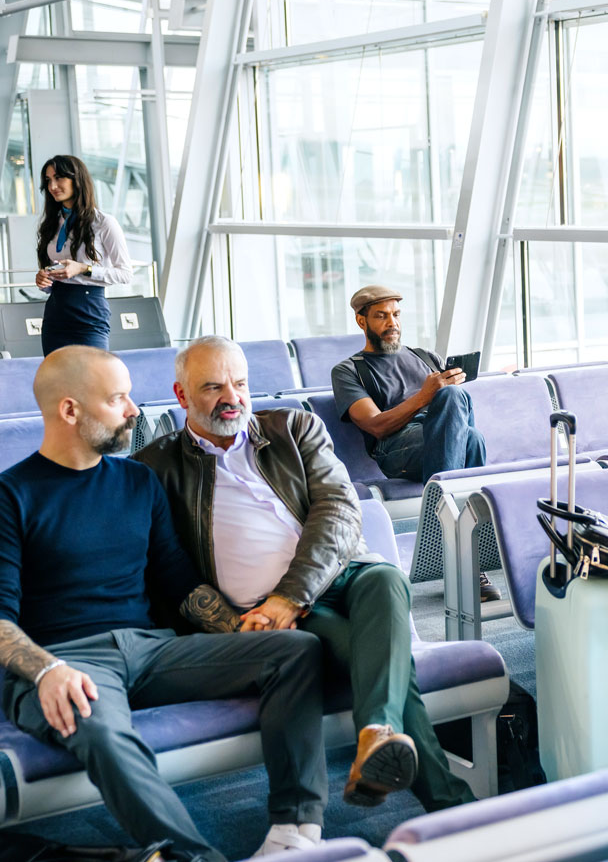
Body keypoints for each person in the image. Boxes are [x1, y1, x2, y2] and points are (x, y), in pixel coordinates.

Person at [0, 346, 329, 861]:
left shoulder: (137, 480)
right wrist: (47, 673)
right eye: (118, 399)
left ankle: (296, 829)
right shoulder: (11, 495)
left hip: (150, 650)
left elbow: (179, 583)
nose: (134, 409)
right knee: (97, 726)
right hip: (67, 662)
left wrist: (244, 632)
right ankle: (195, 858)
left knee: (293, 650)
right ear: (70, 411)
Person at [136, 336, 477, 812]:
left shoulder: (293, 427)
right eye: (214, 387)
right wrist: (246, 622)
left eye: (239, 383)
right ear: (181, 395)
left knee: (384, 577)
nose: (232, 397)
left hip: (336, 579)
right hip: (277, 617)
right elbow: (167, 572)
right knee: (377, 659)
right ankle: (429, 784)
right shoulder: (156, 467)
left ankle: (392, 749)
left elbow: (339, 509)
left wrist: (292, 594)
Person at [330, 284, 498, 603]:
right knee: (452, 403)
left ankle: (461, 553)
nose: (392, 322)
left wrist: (443, 393)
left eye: (395, 314)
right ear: (361, 321)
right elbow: (376, 426)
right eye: (381, 316)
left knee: (468, 427)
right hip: (396, 450)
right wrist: (424, 397)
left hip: (441, 439)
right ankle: (456, 544)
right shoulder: (349, 371)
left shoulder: (424, 357)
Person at [34, 155, 134, 356]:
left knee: (94, 382)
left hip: (89, 313)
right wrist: (45, 279)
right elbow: (55, 271)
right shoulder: (52, 224)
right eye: (48, 180)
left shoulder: (104, 223)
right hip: (56, 312)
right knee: (57, 383)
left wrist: (84, 269)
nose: (53, 185)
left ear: (77, 180)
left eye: (59, 178)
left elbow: (125, 274)